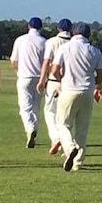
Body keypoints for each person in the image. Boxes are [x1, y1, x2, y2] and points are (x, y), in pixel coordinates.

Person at [50, 23, 102, 171]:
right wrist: (98, 87)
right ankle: (78, 162)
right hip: (87, 91)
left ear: (74, 33)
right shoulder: (94, 51)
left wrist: (61, 79)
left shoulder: (65, 48)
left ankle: (70, 148)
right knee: (82, 128)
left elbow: (54, 70)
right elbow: (101, 74)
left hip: (68, 90)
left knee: (62, 123)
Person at [36, 18, 73, 155]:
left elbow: (47, 62)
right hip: (69, 83)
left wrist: (41, 80)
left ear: (58, 29)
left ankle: (56, 138)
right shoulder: (73, 42)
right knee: (66, 116)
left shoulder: (51, 42)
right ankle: (66, 145)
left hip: (54, 81)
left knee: (50, 112)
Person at [10, 17, 46, 148]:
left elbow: (14, 60)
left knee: (25, 108)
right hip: (40, 78)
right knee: (36, 108)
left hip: (25, 77)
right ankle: (33, 131)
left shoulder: (20, 40)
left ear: (28, 26)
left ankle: (30, 129)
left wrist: (19, 70)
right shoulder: (44, 42)